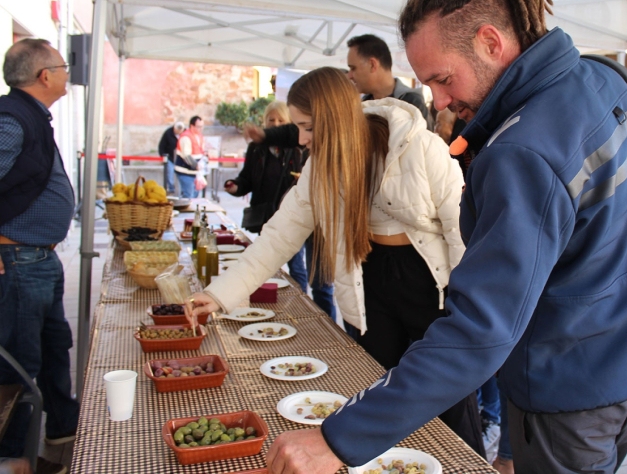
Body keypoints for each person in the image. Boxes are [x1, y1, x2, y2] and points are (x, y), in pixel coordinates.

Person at [259, 0, 627, 474]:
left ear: (490, 41)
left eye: (442, 79)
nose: (440, 102)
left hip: (570, 387)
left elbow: (480, 330)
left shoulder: (521, 151)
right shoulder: (604, 77)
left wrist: (338, 439)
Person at [189, 68, 485, 455]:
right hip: (367, 282)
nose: (301, 139)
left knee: (450, 399)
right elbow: (279, 236)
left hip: (431, 282)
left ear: (334, 118)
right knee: (375, 389)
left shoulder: (419, 146)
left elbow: (460, 231)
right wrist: (219, 295)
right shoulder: (319, 166)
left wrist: (467, 308)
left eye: (308, 126)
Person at [0, 39, 79, 474]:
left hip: (38, 259)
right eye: (62, 66)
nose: (67, 73)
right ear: (45, 75)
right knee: (20, 362)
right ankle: (15, 458)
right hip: (17, 261)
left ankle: (63, 430)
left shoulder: (30, 116)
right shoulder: (11, 118)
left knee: (54, 346)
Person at [224, 101, 308, 290]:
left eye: (281, 120)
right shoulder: (256, 148)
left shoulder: (298, 147)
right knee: (267, 266)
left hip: (292, 217)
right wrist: (235, 187)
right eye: (271, 120)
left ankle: (302, 305)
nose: (276, 124)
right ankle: (271, 301)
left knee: (296, 266)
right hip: (266, 216)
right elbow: (246, 178)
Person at [346, 34, 434, 130]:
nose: (349, 75)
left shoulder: (411, 103)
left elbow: (424, 143)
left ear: (372, 65)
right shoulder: (363, 105)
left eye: (353, 68)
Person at [174, 115, 206, 198]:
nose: (201, 129)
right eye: (199, 127)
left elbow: (200, 151)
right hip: (185, 172)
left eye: (202, 126)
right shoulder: (186, 137)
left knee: (194, 197)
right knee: (188, 197)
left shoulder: (199, 136)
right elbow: (186, 156)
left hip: (195, 173)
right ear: (192, 126)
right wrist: (196, 165)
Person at [157, 121, 185, 194]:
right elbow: (162, 145)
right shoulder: (168, 133)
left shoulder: (185, 133)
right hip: (170, 157)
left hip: (182, 158)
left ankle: (182, 190)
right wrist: (162, 155)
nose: (178, 133)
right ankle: (171, 188)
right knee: (170, 173)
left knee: (182, 174)